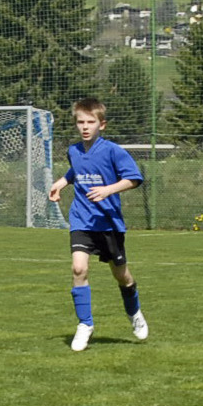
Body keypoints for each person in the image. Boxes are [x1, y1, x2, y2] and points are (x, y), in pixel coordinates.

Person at [46, 97, 148, 352]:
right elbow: (76, 170)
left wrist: (107, 190)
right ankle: (85, 324)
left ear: (102, 125)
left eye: (90, 122)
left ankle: (134, 312)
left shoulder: (113, 151)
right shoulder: (73, 150)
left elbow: (134, 178)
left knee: (122, 276)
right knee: (78, 268)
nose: (85, 127)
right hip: (82, 219)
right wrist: (62, 182)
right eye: (80, 122)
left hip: (109, 223)